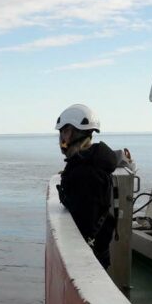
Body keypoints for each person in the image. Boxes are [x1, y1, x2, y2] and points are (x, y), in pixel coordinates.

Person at [55, 104, 129, 268]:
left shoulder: (86, 173)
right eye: (61, 132)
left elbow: (85, 222)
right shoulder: (89, 162)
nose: (62, 139)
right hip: (97, 251)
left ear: (79, 133)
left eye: (65, 131)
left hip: (90, 258)